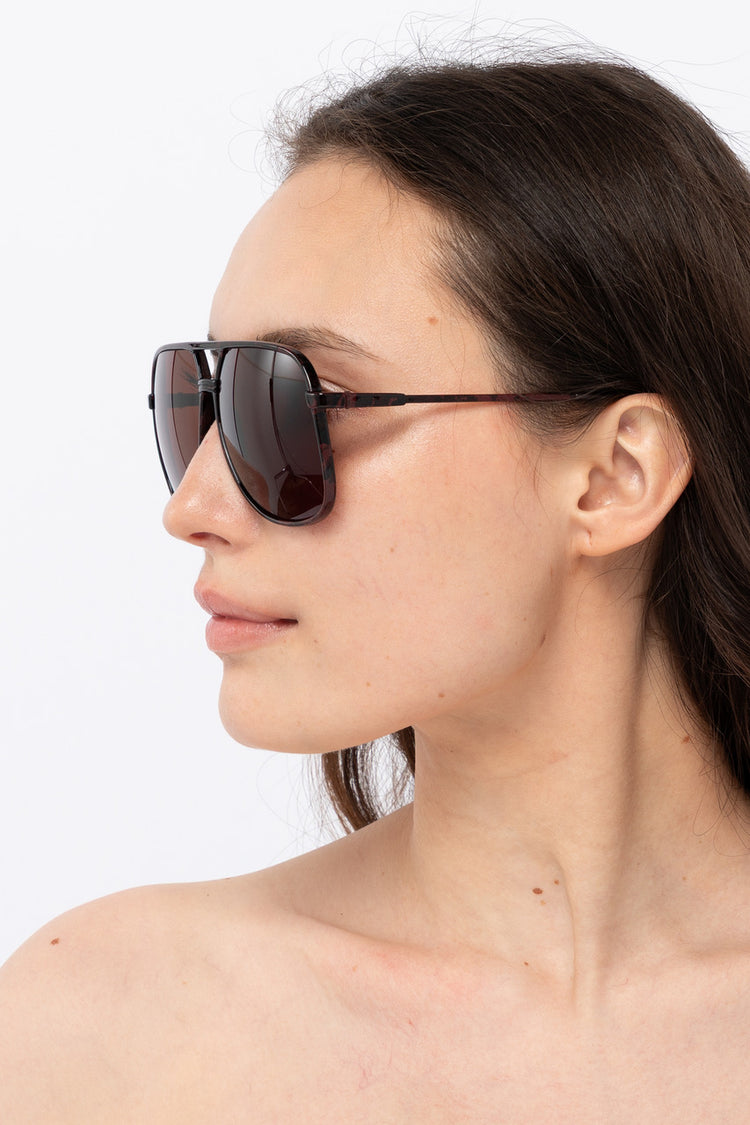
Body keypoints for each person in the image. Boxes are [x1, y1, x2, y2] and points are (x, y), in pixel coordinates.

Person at [2, 46, 750, 1123]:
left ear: (613, 477)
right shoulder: (102, 1034)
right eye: (200, 403)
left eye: (289, 405)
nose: (195, 504)